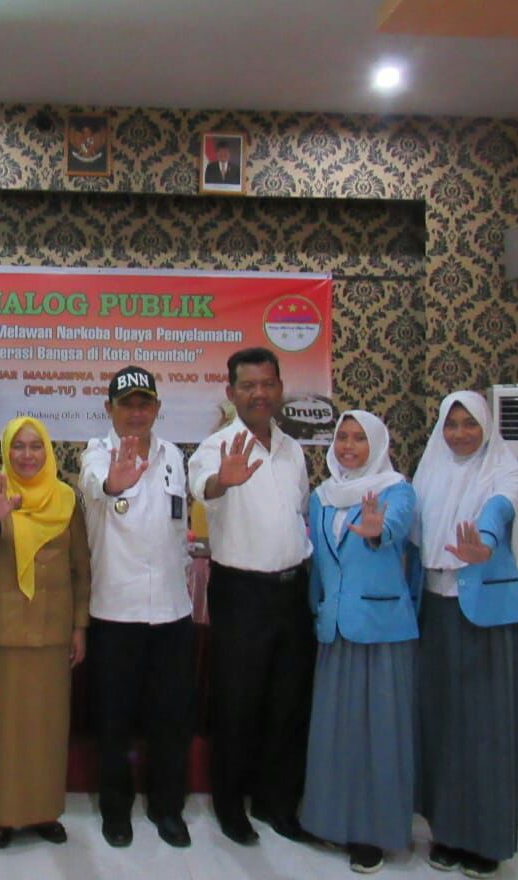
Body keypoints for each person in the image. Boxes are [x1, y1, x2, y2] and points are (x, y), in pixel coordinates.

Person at [188, 346, 314, 846]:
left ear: (279, 388)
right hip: (241, 593)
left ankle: (276, 802)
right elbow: (203, 487)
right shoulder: (215, 447)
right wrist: (223, 481)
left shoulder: (293, 449)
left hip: (293, 590)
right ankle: (230, 806)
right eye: (248, 386)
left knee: (288, 703)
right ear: (231, 392)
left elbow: (299, 511)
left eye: (267, 384)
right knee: (237, 704)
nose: (259, 394)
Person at [412, 391, 518, 879]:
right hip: (434, 611)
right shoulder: (429, 472)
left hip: (484, 615)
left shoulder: (506, 470)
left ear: (486, 426)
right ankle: (446, 831)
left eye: (470, 423)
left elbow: (499, 509)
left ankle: (486, 840)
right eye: (451, 424)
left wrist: (485, 542)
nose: (460, 433)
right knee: (440, 722)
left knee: (485, 727)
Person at [78, 366, 195, 849]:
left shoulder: (174, 457)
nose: (136, 412)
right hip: (116, 613)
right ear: (109, 409)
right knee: (115, 722)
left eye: (145, 403)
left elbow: (178, 526)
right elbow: (95, 487)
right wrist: (114, 482)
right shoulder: (94, 455)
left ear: (157, 408)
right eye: (126, 404)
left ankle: (167, 808)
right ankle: (116, 811)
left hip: (171, 611)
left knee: (171, 720)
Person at [299, 411, 418, 874]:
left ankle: (374, 834)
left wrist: (377, 533)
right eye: (342, 437)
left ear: (378, 445)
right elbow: (318, 564)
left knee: (379, 734)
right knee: (335, 732)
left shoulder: (396, 490)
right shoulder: (321, 497)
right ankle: (329, 821)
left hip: (380, 628)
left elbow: (395, 527)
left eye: (359, 438)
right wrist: (316, 612)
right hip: (334, 627)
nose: (348, 446)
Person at [0, 416, 90, 849]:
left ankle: (43, 811)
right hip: (2, 629)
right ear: (6, 450)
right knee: (1, 727)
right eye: (17, 446)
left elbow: (80, 568)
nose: (27, 455)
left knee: (47, 727)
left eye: (35, 446)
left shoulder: (67, 498)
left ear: (48, 451)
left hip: (53, 631)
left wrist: (79, 626)